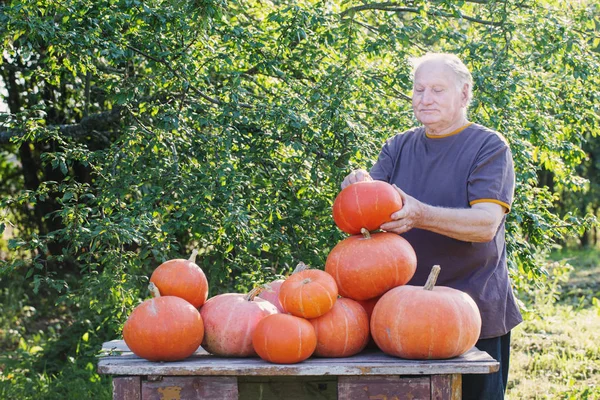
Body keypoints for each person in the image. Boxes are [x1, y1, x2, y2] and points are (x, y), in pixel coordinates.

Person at [342, 53, 522, 400]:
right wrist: (357, 187)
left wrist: (421, 214)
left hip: (470, 314)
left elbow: (485, 225)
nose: (425, 99)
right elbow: (366, 217)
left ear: (465, 94)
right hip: (399, 314)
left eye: (438, 90)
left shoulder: (488, 146)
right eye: (419, 89)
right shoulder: (397, 146)